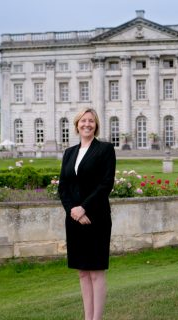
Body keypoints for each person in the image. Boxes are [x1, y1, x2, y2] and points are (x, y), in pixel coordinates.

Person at [58, 108, 116, 320]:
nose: (87, 124)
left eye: (91, 121)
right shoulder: (69, 153)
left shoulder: (105, 149)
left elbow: (105, 184)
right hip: (74, 219)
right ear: (77, 124)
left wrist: (84, 208)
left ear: (96, 125)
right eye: (83, 121)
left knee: (96, 272)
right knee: (82, 272)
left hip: (96, 217)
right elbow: (63, 187)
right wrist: (73, 210)